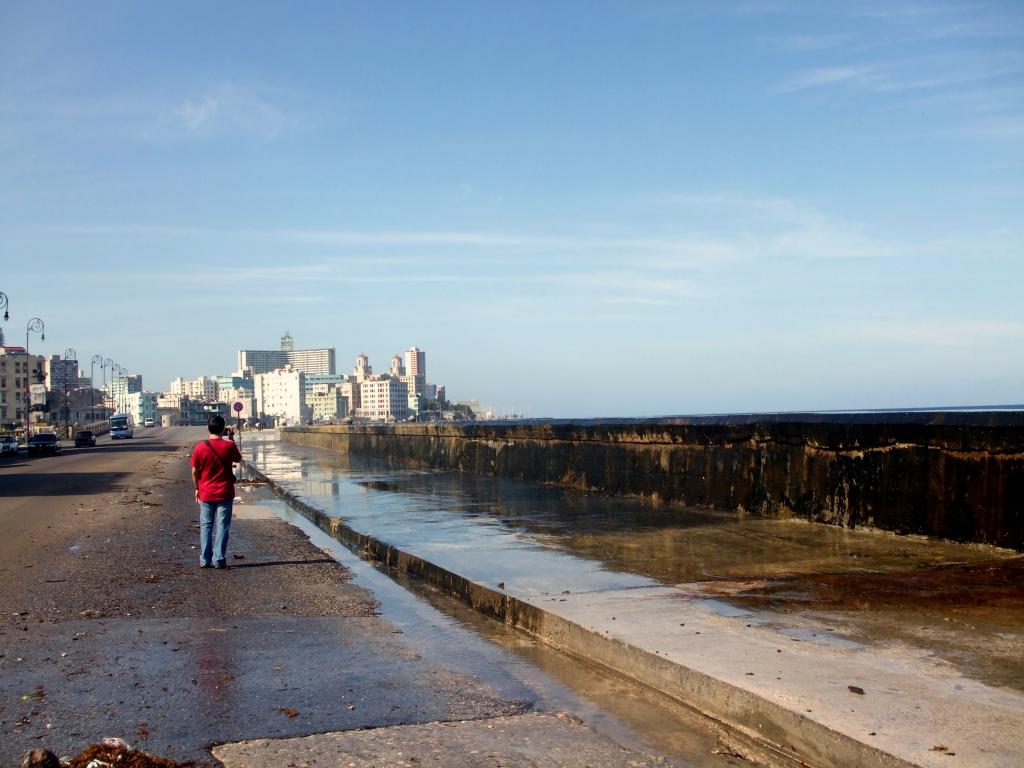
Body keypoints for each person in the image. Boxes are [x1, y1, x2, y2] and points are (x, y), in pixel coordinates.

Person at [191, 415, 242, 569]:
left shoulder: (200, 447)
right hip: (225, 492)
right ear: (223, 429)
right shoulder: (228, 446)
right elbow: (238, 459)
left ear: (208, 428)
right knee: (222, 526)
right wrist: (231, 439)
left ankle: (205, 560)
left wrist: (197, 488)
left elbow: (194, 470)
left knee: (206, 526)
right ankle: (219, 559)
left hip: (206, 492)